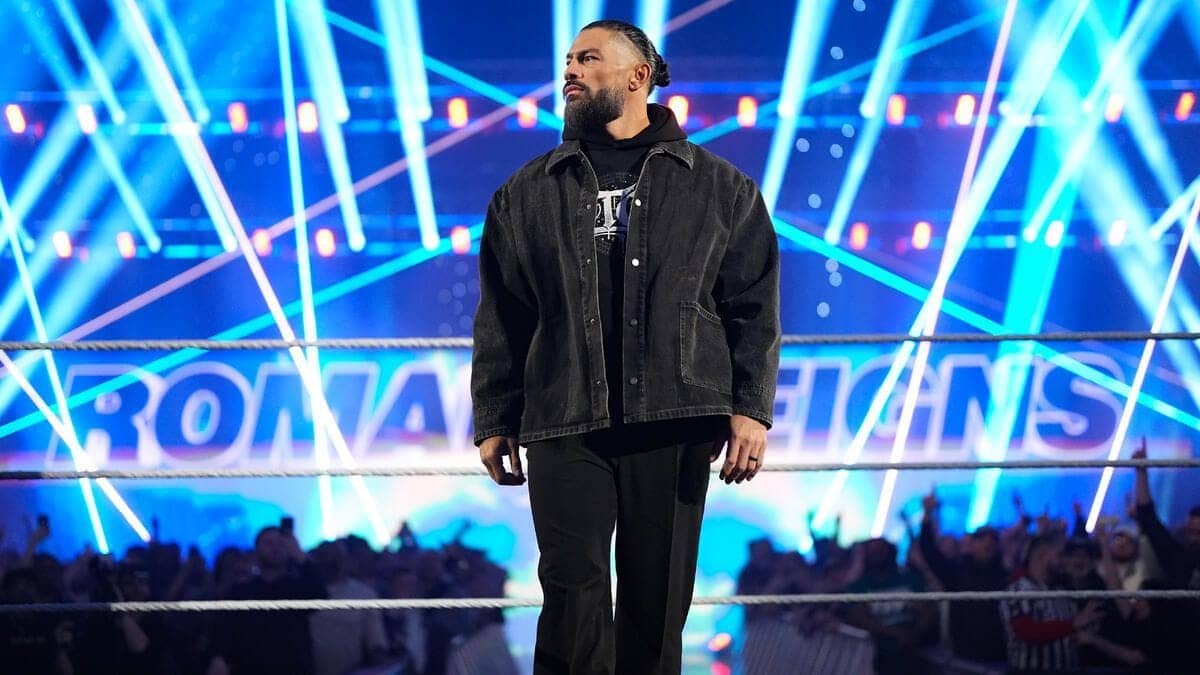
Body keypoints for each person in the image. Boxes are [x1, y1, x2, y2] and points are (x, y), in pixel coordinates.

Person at [471, 18, 780, 674]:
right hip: (563, 416)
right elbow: (502, 314)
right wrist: (495, 417)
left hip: (673, 415)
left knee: (656, 603)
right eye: (568, 60)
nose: (570, 72)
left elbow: (753, 308)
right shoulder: (526, 192)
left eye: (588, 59)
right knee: (570, 595)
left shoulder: (719, 187)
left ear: (638, 76)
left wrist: (750, 408)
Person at [916, 489, 1008, 665]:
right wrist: (927, 514)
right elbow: (930, 552)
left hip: (999, 656)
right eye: (981, 538)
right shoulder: (957, 573)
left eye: (993, 539)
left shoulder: (1006, 576)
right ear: (971, 545)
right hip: (965, 657)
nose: (988, 542)